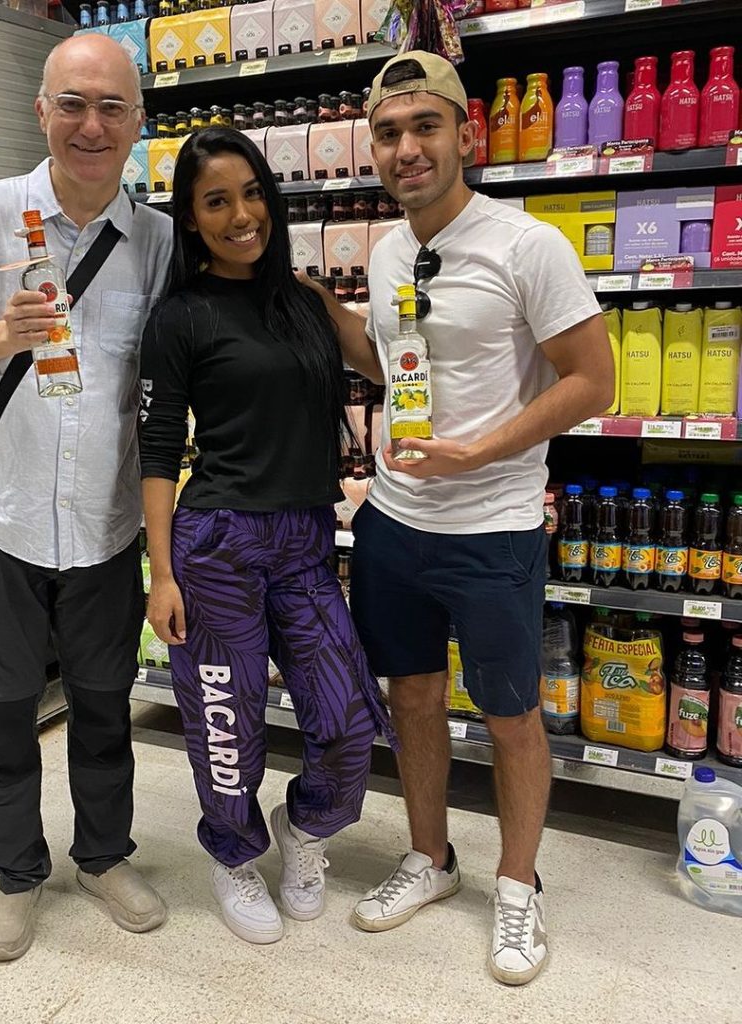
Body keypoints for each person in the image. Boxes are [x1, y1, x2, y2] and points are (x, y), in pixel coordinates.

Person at [307, 52, 614, 985]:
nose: (407, 148)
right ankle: (430, 857)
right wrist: (316, 305)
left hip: (493, 528)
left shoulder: (528, 246)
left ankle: (517, 885)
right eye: (389, 133)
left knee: (512, 715)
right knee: (411, 698)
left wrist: (482, 451)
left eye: (424, 127)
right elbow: (387, 361)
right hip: (395, 522)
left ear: (465, 136)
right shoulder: (388, 250)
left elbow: (594, 382)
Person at [0, 34, 172, 962]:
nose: (91, 126)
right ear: (42, 111)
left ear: (138, 122)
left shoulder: (156, 238)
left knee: (104, 708)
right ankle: (17, 873)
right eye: (73, 104)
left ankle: (102, 857)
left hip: (106, 523)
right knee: (1, 711)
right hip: (2, 516)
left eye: (111, 108)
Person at [138, 127, 395, 946]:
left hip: (305, 543)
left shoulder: (305, 300)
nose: (242, 215)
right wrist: (162, 574)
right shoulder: (180, 316)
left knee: (347, 721)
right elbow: (156, 449)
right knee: (228, 726)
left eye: (252, 193)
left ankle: (305, 829)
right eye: (216, 201)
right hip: (216, 545)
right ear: (190, 218)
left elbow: (387, 367)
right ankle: (234, 855)